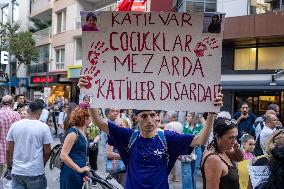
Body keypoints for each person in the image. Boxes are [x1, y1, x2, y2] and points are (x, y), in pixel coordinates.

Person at [78, 76, 223, 189]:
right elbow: (99, 121)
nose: (150, 120)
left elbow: (200, 141)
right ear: (135, 118)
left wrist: (211, 115)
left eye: (153, 115)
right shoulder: (128, 137)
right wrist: (88, 93)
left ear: (158, 117)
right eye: (144, 116)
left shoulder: (168, 138)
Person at [6, 100, 53, 189]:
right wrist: (42, 164)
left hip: (17, 171)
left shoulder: (15, 125)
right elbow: (47, 152)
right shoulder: (43, 127)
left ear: (28, 111)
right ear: (40, 113)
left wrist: (9, 166)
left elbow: (8, 149)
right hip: (35, 171)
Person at [202, 118, 244, 189]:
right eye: (231, 138)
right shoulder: (213, 159)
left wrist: (236, 146)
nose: (234, 141)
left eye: (236, 137)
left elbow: (240, 158)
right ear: (218, 137)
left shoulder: (223, 150)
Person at [60, 106, 91, 189]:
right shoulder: (73, 133)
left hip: (79, 171)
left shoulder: (83, 131)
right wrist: (79, 169)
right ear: (85, 118)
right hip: (71, 172)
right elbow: (63, 155)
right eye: (90, 116)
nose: (91, 119)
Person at [0, 95, 21, 176]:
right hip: (12, 153)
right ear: (12, 103)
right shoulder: (15, 115)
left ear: (1, 103)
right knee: (8, 181)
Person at [106, 118, 129, 186]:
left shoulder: (130, 138)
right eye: (117, 126)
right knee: (113, 186)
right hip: (114, 169)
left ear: (127, 127)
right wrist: (124, 156)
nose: (118, 128)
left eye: (121, 125)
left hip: (126, 169)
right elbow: (109, 154)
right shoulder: (112, 137)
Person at [164, 111, 183, 182]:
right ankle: (175, 177)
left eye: (169, 115)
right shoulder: (180, 124)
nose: (168, 117)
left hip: (170, 144)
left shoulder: (169, 124)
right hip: (178, 143)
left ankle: (167, 176)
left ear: (172, 117)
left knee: (168, 160)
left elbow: (165, 135)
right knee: (177, 161)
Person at [86, 121, 100, 186]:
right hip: (84, 144)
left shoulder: (95, 123)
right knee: (83, 162)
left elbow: (98, 135)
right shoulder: (82, 122)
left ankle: (94, 179)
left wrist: (94, 142)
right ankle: (85, 178)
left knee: (93, 162)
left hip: (93, 145)